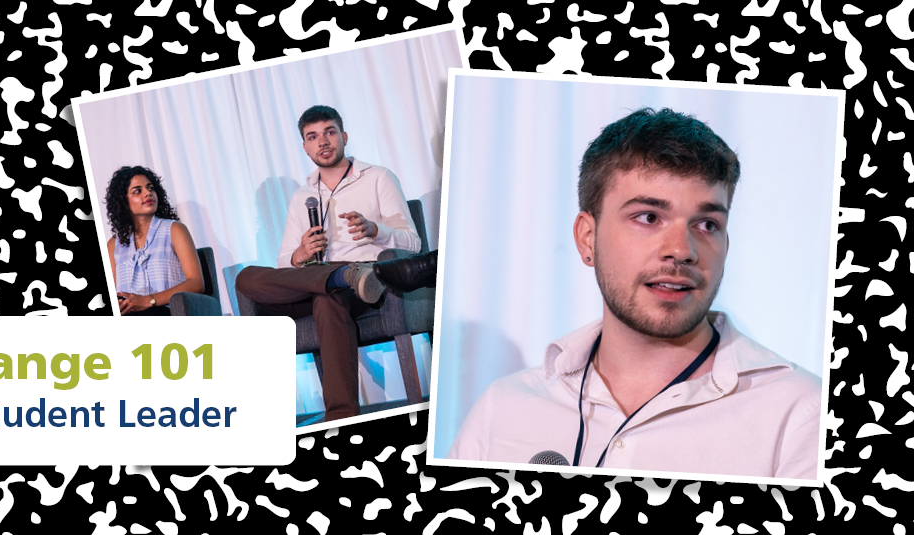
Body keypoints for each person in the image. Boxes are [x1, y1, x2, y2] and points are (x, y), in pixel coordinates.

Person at [448, 108, 821, 480]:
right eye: (648, 217)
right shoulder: (504, 410)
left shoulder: (802, 415)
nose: (682, 249)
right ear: (587, 238)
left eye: (707, 224)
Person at [236, 105, 422, 421]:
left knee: (328, 299)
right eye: (313, 136)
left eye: (329, 132)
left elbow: (413, 243)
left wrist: (376, 230)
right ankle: (338, 276)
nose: (322, 142)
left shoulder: (377, 178)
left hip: (365, 284)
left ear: (344, 136)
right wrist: (300, 254)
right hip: (316, 279)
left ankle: (340, 417)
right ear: (305, 147)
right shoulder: (301, 197)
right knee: (246, 278)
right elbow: (284, 263)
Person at [105, 165, 204, 316]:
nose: (148, 193)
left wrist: (147, 300)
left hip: (166, 312)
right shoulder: (113, 245)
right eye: (137, 191)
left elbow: (196, 283)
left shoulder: (175, 230)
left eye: (150, 188)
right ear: (123, 202)